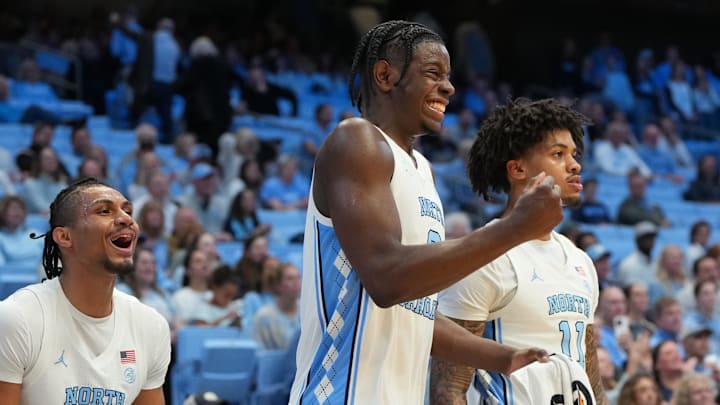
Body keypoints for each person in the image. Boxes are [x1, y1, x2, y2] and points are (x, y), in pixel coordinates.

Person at [290, 21, 563, 404]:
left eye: (449, 77)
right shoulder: (357, 141)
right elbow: (388, 279)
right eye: (433, 74)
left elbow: (414, 308)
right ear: (385, 75)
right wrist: (515, 228)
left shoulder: (422, 170)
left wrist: (502, 357)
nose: (449, 88)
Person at [430, 97, 605, 404]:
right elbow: (449, 388)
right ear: (518, 169)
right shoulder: (484, 258)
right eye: (558, 154)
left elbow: (589, 375)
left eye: (573, 155)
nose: (575, 164)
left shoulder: (580, 261)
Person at [0, 177, 171, 403]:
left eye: (127, 210)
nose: (126, 219)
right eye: (104, 211)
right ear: (64, 236)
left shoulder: (151, 326)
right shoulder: (18, 318)